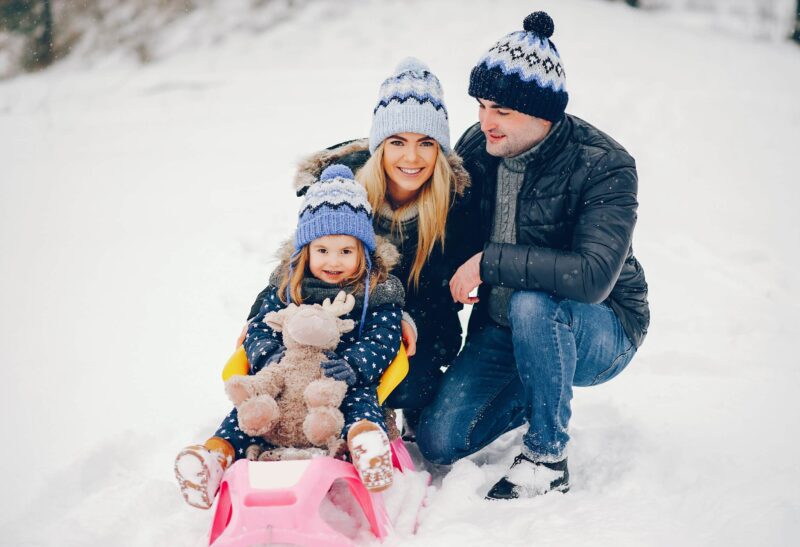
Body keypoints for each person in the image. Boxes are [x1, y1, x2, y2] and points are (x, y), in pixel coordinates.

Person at [415, 11, 651, 500]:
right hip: (502, 328)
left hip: (601, 327)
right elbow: (447, 241)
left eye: (500, 109)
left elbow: (591, 277)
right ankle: (541, 381)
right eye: (480, 105)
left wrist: (488, 262)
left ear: (541, 111)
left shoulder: (605, 164)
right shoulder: (479, 148)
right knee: (441, 441)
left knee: (533, 301)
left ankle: (547, 458)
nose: (484, 121)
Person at [247, 58, 471, 435]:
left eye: (426, 144)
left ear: (439, 150)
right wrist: (257, 317)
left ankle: (385, 411)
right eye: (397, 142)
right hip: (336, 311)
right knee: (293, 363)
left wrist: (405, 318)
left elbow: (441, 294)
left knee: (412, 384)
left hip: (406, 321)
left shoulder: (454, 203)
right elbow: (302, 259)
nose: (411, 158)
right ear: (379, 145)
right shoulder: (341, 193)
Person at [175, 165, 405, 508]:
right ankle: (214, 459)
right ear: (305, 251)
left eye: (346, 251)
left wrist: (354, 366)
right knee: (249, 414)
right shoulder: (287, 287)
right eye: (323, 250)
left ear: (364, 252)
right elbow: (260, 328)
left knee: (360, 405)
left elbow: (385, 338)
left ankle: (366, 449)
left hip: (342, 380)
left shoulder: (377, 291)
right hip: (286, 380)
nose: (333, 261)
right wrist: (270, 357)